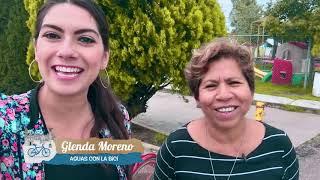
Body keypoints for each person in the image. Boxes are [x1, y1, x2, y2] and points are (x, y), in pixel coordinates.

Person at [0, 0, 132, 179]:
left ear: (104, 57)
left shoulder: (116, 118)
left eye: (85, 39)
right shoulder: (6, 121)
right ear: (36, 48)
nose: (66, 51)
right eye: (53, 35)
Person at [153, 38, 299, 180]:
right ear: (197, 97)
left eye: (234, 82)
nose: (224, 95)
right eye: (211, 85)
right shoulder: (176, 148)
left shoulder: (279, 145)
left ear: (251, 90)